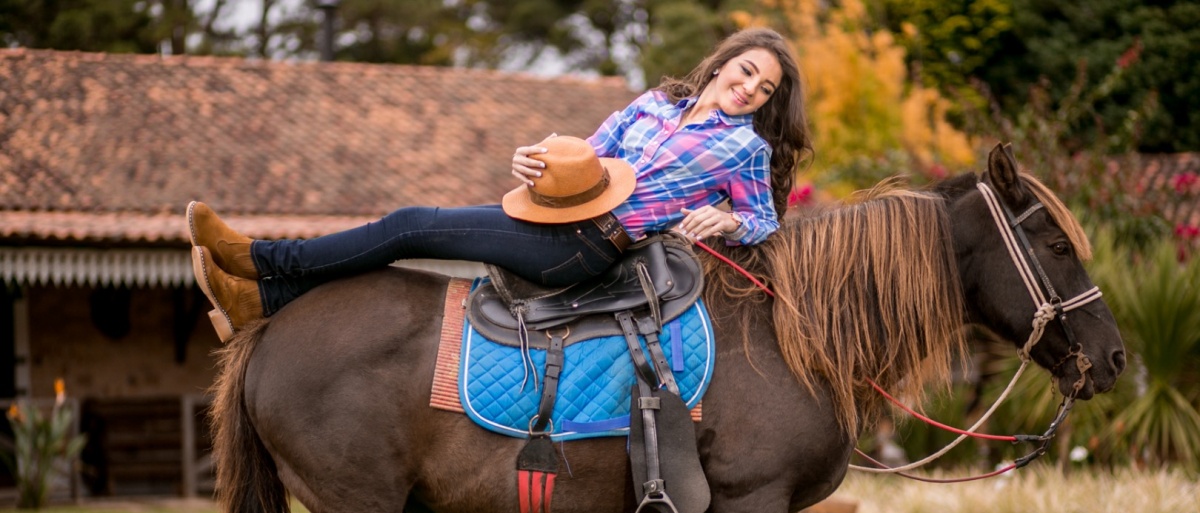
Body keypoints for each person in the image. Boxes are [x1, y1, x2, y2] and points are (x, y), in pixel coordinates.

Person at [189, 27, 811, 342]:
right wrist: (535, 161)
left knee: (411, 226)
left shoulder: (745, 148)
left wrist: (730, 220)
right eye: (748, 71)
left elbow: (766, 222)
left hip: (593, 244)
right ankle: (261, 301)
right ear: (727, 59)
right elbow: (591, 155)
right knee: (409, 230)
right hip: (560, 214)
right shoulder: (655, 103)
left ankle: (258, 259)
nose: (750, 89)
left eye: (764, 90)